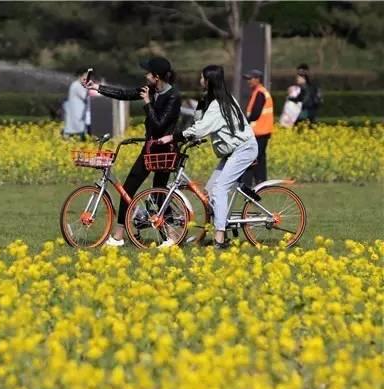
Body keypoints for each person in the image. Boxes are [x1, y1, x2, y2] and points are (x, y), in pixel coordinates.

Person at [84, 56, 182, 247]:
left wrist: (147, 103)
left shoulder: (173, 96)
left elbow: (159, 124)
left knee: (158, 195)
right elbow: (124, 94)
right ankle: (119, 235)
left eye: (148, 73)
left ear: (157, 77)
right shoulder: (151, 90)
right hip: (149, 149)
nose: (145, 76)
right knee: (128, 189)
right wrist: (97, 87)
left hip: (165, 151)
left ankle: (171, 236)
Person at [158, 65, 257, 249]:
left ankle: (219, 239)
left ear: (209, 81)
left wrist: (173, 137)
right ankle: (223, 232)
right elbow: (201, 122)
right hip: (234, 150)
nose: (200, 80)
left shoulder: (219, 104)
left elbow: (201, 129)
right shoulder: (216, 101)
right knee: (211, 190)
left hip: (243, 149)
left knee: (219, 189)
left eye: (202, 78)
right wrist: (201, 103)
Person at [242, 69, 274, 186]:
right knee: (260, 158)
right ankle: (261, 181)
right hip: (262, 131)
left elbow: (255, 113)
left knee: (252, 158)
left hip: (259, 131)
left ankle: (248, 183)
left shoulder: (260, 93)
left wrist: (245, 121)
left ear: (257, 79)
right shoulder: (258, 91)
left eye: (250, 79)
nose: (248, 81)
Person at [63, 68, 90, 140]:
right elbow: (84, 96)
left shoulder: (77, 85)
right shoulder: (77, 85)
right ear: (80, 76)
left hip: (77, 114)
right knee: (76, 132)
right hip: (76, 114)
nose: (87, 79)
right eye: (85, 76)